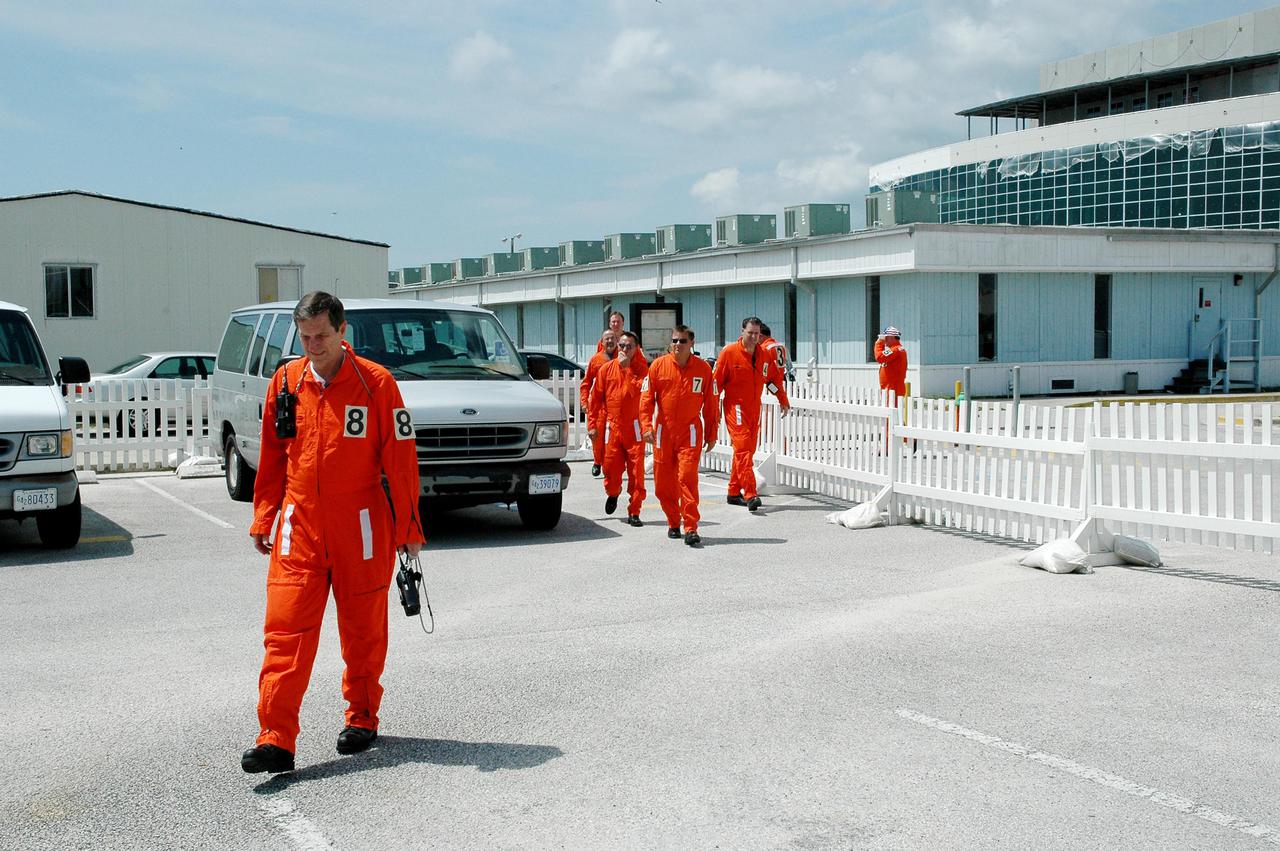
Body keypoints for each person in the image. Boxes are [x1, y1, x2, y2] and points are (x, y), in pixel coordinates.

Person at [241, 291, 425, 775]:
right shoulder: (285, 381)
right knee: (284, 633)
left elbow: (401, 459)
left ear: (343, 332)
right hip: (299, 525)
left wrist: (408, 527)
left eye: (322, 335)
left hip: (361, 526)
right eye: (305, 337)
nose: (314, 345)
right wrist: (264, 515)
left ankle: (361, 717)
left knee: (363, 632)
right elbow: (272, 454)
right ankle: (275, 737)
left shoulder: (377, 384)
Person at [640, 325, 719, 546]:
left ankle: (691, 526)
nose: (677, 345)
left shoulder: (703, 370)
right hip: (664, 432)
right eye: (674, 340)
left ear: (691, 343)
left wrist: (712, 433)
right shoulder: (658, 366)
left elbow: (711, 404)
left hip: (690, 433)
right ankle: (673, 521)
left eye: (682, 341)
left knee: (687, 478)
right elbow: (646, 398)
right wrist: (646, 426)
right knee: (663, 485)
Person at [713, 317, 791, 512]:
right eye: (750, 333)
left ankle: (733, 491)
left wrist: (782, 398)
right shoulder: (729, 353)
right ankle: (750, 493)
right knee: (742, 450)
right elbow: (716, 384)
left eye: (757, 334)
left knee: (747, 451)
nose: (754, 337)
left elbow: (771, 380)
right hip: (735, 408)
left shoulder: (764, 354)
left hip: (754, 409)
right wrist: (713, 409)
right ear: (742, 332)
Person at [590, 331, 648, 527]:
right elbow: (596, 398)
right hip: (612, 427)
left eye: (628, 346)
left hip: (634, 428)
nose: (623, 349)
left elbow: (639, 392)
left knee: (636, 473)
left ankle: (635, 511)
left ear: (636, 348)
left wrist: (627, 370)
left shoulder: (642, 370)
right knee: (611, 469)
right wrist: (592, 425)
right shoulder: (606, 370)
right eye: (621, 345)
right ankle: (613, 493)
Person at [581, 330, 618, 477]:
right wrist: (584, 402)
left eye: (612, 339)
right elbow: (586, 383)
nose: (610, 342)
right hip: (599, 406)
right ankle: (597, 461)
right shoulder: (595, 360)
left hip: (616, 405)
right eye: (607, 339)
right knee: (596, 436)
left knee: (613, 438)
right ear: (602, 342)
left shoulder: (623, 358)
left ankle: (611, 464)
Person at [874, 325, 907, 400]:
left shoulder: (895, 349)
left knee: (891, 409)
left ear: (891, 337)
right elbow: (883, 357)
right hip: (892, 387)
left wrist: (878, 343)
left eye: (886, 338)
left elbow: (879, 357)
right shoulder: (896, 349)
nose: (884, 341)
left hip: (892, 388)